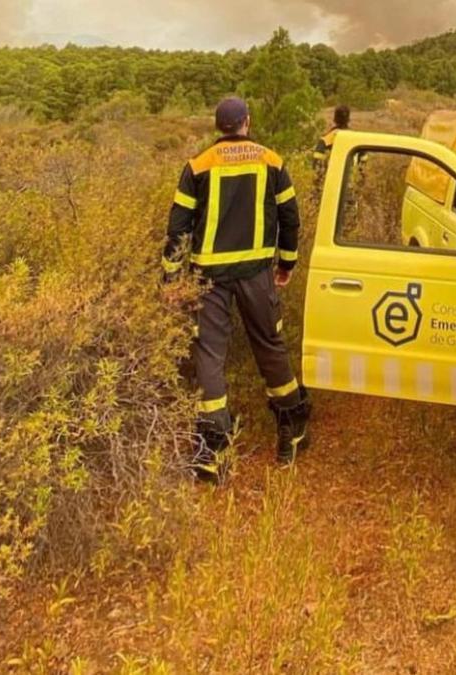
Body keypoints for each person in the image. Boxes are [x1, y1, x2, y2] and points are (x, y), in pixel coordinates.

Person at [162, 97, 311, 480]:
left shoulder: (198, 165)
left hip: (208, 276)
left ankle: (212, 454)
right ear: (247, 121)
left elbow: (177, 228)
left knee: (209, 354)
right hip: (256, 273)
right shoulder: (271, 161)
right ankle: (292, 430)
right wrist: (287, 263)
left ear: (218, 126)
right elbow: (290, 217)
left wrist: (171, 277)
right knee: (270, 345)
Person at [312, 104, 350, 177]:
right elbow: (362, 166)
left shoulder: (326, 139)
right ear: (348, 119)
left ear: (334, 119)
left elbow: (317, 165)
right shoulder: (355, 138)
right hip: (351, 180)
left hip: (332, 180)